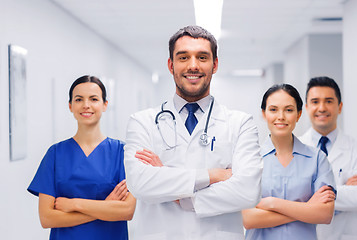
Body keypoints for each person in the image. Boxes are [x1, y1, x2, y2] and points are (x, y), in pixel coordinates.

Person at [124, 25, 263, 239]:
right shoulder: (142, 122)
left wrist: (180, 192)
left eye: (202, 57)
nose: (193, 65)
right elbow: (141, 184)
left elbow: (248, 190)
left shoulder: (240, 124)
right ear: (171, 65)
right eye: (183, 57)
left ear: (215, 64)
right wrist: (213, 175)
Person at [27, 75, 136, 240]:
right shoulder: (55, 154)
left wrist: (74, 204)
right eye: (79, 99)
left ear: (105, 105)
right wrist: (106, 207)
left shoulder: (122, 152)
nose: (86, 105)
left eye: (93, 99)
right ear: (70, 106)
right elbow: (47, 218)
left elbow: (126, 211)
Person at [243, 84, 336, 240]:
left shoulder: (317, 159)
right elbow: (248, 219)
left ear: (299, 114)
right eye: (273, 110)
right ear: (264, 114)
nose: (281, 116)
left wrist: (272, 203)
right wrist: (307, 209)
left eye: (289, 110)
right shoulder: (249, 159)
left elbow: (325, 214)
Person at [300, 76, 357, 240]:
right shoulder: (294, 148)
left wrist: (310, 194)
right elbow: (290, 197)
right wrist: (341, 190)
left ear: (339, 107)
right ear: (306, 107)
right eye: (315, 101)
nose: (321, 107)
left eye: (328, 101)